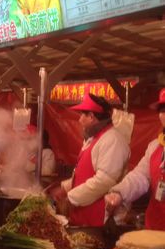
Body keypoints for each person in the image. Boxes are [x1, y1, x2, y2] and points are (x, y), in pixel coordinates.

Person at [50, 93, 130, 226]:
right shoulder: (93, 138)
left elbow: (104, 181)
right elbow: (85, 173)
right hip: (84, 214)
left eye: (82, 115)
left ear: (92, 117)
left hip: (102, 218)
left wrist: (71, 197)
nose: (80, 120)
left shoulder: (112, 140)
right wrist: (65, 188)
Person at [105, 88, 165, 230]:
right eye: (162, 110)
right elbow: (140, 176)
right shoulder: (155, 146)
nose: (164, 115)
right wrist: (119, 193)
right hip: (155, 228)